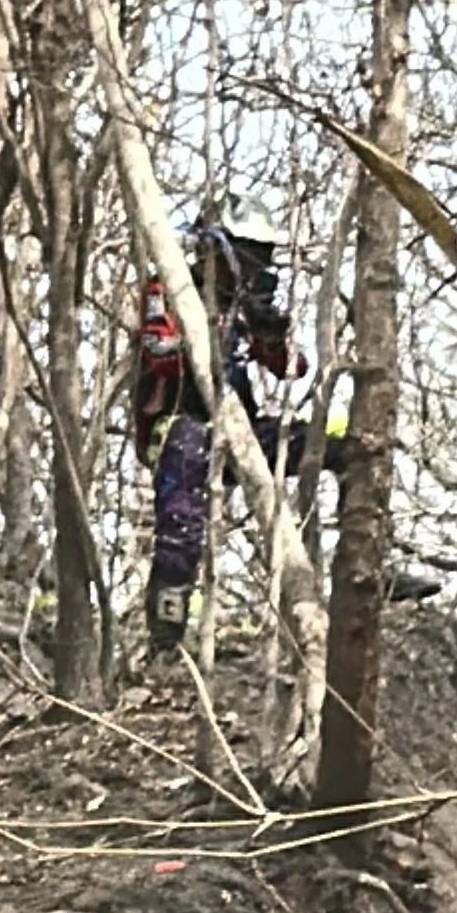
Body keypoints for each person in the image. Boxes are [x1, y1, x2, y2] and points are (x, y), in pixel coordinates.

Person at [133, 196, 313, 650]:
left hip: (241, 432)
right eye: (247, 251)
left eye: (262, 254)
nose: (255, 265)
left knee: (330, 439)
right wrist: (207, 331)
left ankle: (365, 567)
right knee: (182, 526)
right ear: (215, 247)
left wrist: (270, 332)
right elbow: (158, 356)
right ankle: (165, 641)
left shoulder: (249, 303)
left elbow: (292, 367)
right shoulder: (170, 290)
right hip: (177, 425)